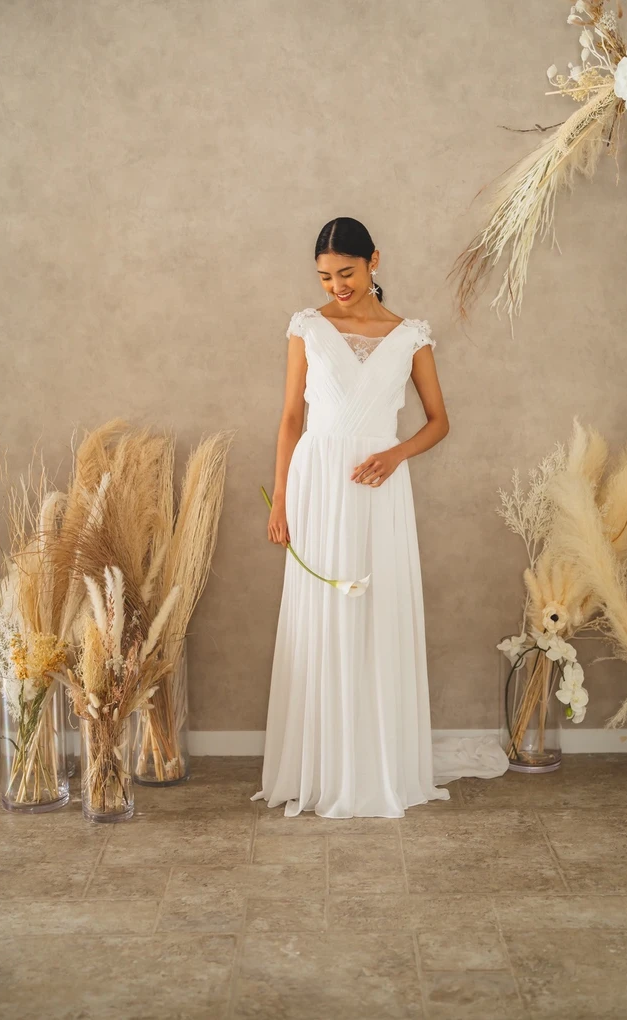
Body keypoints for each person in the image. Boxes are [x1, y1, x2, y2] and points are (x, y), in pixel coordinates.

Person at [251, 216, 451, 818]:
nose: (336, 286)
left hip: (379, 487)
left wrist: (395, 454)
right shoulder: (307, 328)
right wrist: (281, 498)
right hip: (317, 484)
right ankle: (320, 766)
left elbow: (439, 421)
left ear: (373, 262)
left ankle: (375, 765)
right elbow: (291, 418)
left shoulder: (409, 335)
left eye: (346, 272)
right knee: (322, 616)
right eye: (324, 276)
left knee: (376, 612)